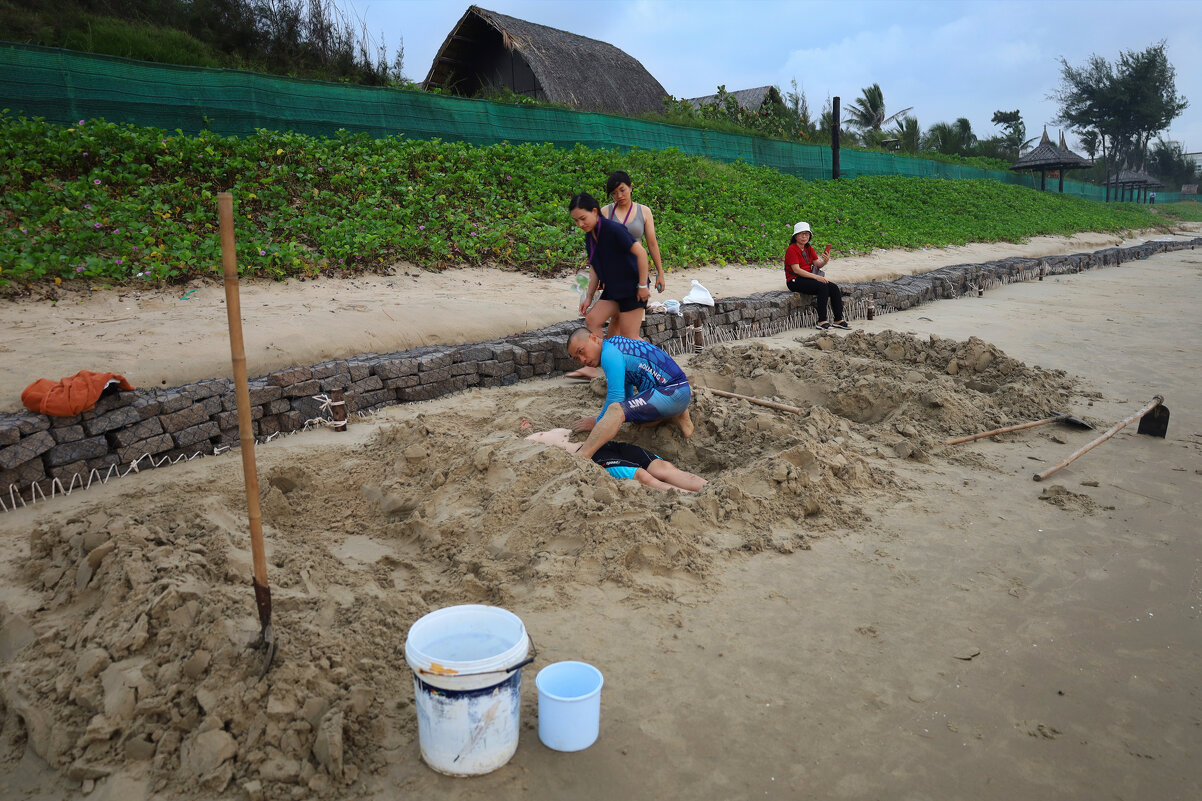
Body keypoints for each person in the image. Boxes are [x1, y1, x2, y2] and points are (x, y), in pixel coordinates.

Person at [565, 328, 694, 459]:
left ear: (593, 338)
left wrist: (597, 421)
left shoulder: (609, 354)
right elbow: (626, 397)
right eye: (577, 358)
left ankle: (582, 455)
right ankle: (677, 415)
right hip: (674, 391)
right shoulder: (614, 345)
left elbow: (615, 398)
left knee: (615, 410)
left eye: (581, 351)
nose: (582, 360)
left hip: (673, 391)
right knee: (635, 419)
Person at [526, 428, 706, 493]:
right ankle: (690, 498)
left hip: (608, 443)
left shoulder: (555, 430)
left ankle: (711, 488)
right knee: (643, 476)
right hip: (589, 455)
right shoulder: (528, 443)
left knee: (663, 468)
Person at [785, 221, 849, 331]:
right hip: (794, 280)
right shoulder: (791, 249)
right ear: (795, 236)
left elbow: (817, 264)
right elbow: (797, 270)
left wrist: (825, 260)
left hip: (807, 278)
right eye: (801, 234)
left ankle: (838, 319)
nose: (804, 236)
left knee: (833, 287)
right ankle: (821, 321)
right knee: (822, 286)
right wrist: (816, 277)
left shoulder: (808, 248)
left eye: (807, 234)